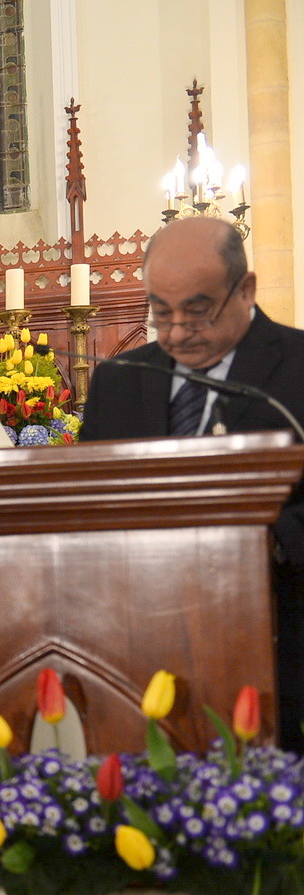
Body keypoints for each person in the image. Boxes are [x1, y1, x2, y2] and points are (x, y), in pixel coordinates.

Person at [81, 216, 304, 752]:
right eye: (161, 312)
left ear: (245, 290)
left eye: (198, 312)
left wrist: (263, 540)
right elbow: (87, 503)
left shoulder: (298, 368)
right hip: (141, 648)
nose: (178, 332)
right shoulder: (118, 381)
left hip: (282, 646)